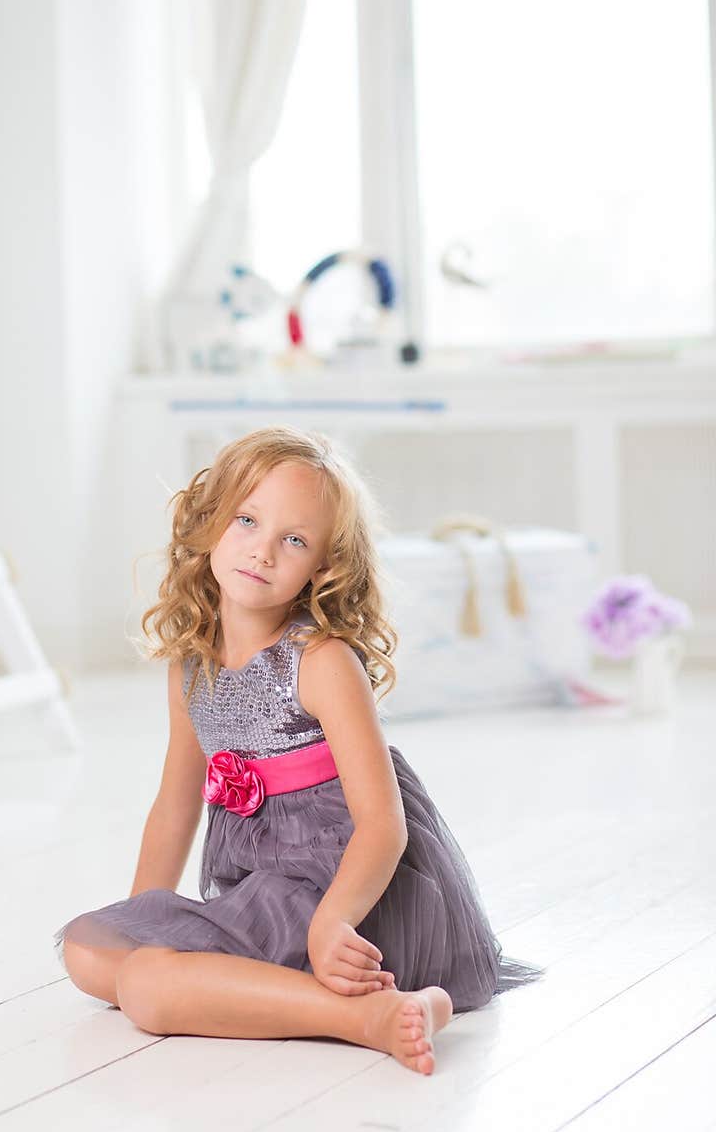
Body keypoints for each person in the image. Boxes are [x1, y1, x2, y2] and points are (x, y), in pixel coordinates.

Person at [55, 427, 543, 1075]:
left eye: (293, 539)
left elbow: (384, 823)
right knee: (90, 953)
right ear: (208, 526)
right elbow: (175, 807)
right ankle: (261, 993)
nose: (262, 551)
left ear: (322, 564)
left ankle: (367, 1014)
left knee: (145, 987)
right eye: (247, 521)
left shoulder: (320, 660)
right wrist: (149, 918)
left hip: (347, 891)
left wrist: (332, 921)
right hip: (265, 883)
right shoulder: (191, 669)